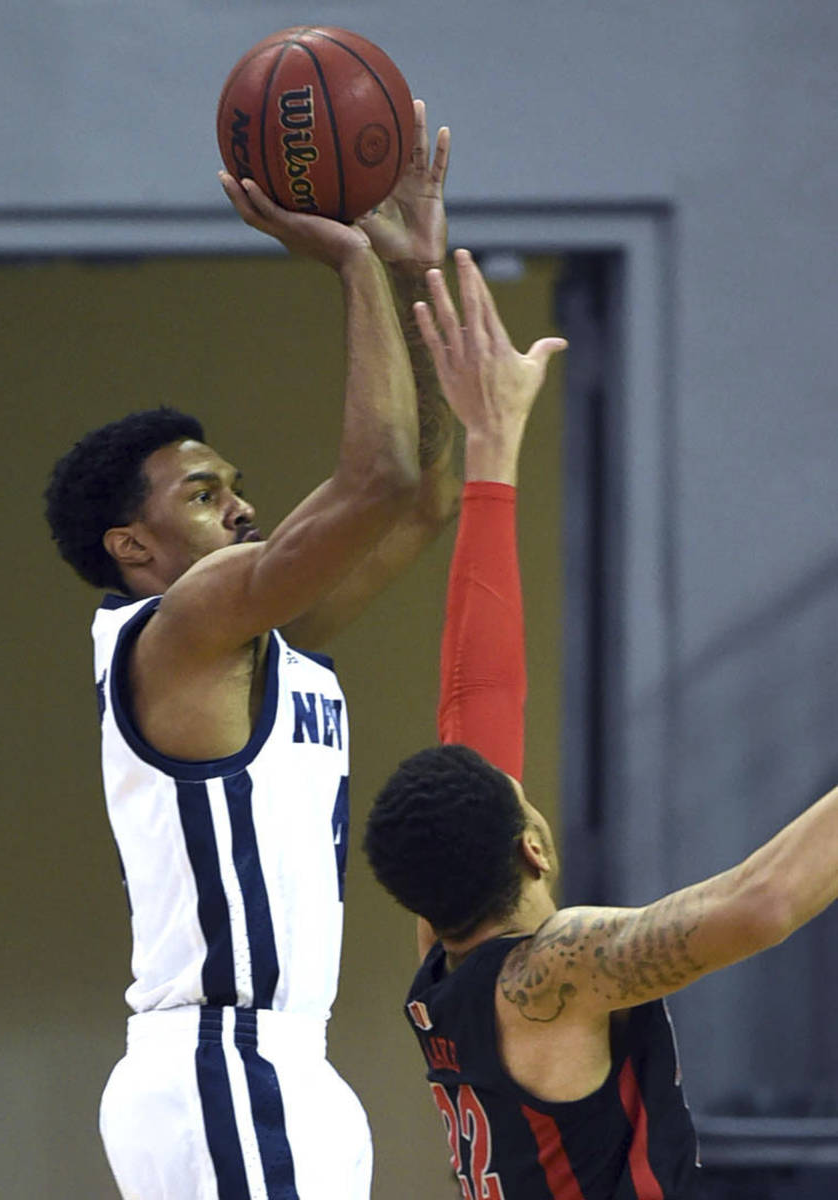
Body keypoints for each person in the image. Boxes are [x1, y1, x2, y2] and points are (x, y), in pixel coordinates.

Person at [44, 102, 457, 1200]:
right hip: (223, 1060)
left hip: (278, 1060)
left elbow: (422, 500)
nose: (242, 507)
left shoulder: (247, 641)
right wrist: (349, 260)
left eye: (234, 486)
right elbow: (375, 481)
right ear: (132, 546)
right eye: (204, 493)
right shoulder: (179, 631)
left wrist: (414, 276)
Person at [364, 249, 838, 1199]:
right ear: (532, 849)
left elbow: (478, 706)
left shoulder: (444, 971)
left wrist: (494, 443)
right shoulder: (552, 977)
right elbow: (757, 902)